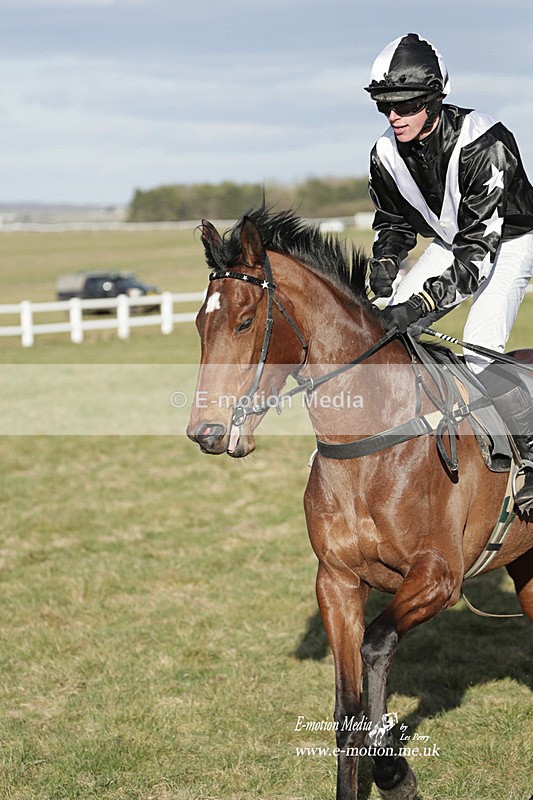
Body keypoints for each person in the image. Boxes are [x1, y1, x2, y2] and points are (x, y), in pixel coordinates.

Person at [364, 32, 533, 511]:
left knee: (480, 350)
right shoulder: (384, 153)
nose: (393, 116)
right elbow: (394, 220)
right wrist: (386, 259)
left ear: (435, 101)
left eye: (405, 105)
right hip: (450, 239)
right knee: (385, 332)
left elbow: (479, 253)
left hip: (512, 241)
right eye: (384, 106)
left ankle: (531, 453)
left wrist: (419, 304)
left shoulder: (487, 143)